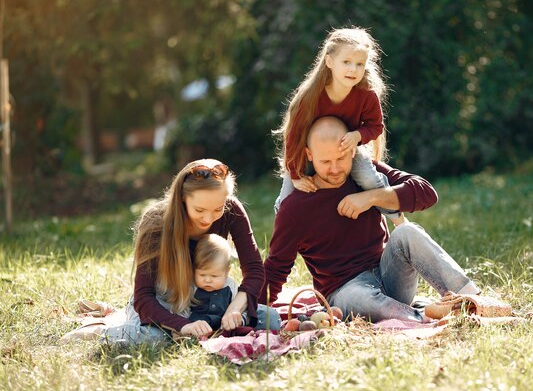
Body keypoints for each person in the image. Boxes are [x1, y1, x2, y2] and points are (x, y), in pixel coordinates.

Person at [261, 117, 481, 323]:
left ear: (352, 151)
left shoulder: (365, 177)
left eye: (341, 158)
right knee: (361, 297)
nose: (336, 168)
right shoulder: (295, 207)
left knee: (407, 232)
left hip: (389, 275)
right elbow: (276, 267)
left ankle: (474, 301)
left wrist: (371, 197)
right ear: (309, 154)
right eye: (326, 161)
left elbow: (426, 193)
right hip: (345, 290)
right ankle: (423, 316)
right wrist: (250, 309)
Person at [102, 158, 281, 345]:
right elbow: (143, 297)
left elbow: (254, 270)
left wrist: (234, 310)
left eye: (218, 209)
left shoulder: (232, 210)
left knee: (271, 318)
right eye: (199, 209)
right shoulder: (156, 223)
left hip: (213, 303)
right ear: (182, 199)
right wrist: (182, 325)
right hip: (167, 305)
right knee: (156, 339)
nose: (208, 218)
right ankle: (106, 331)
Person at [273, 27, 404, 225]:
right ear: (329, 62)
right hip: (310, 153)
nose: (353, 69)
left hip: (347, 149)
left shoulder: (366, 95)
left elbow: (375, 126)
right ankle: (280, 247)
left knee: (369, 180)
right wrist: (295, 175)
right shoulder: (310, 96)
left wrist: (357, 136)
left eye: (360, 64)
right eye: (346, 62)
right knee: (286, 199)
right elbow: (293, 136)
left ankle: (400, 222)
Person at [188, 234, 239, 331]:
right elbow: (182, 310)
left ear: (226, 272)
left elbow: (240, 308)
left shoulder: (230, 286)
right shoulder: (192, 287)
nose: (207, 280)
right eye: (202, 275)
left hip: (224, 328)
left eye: (214, 276)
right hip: (197, 329)